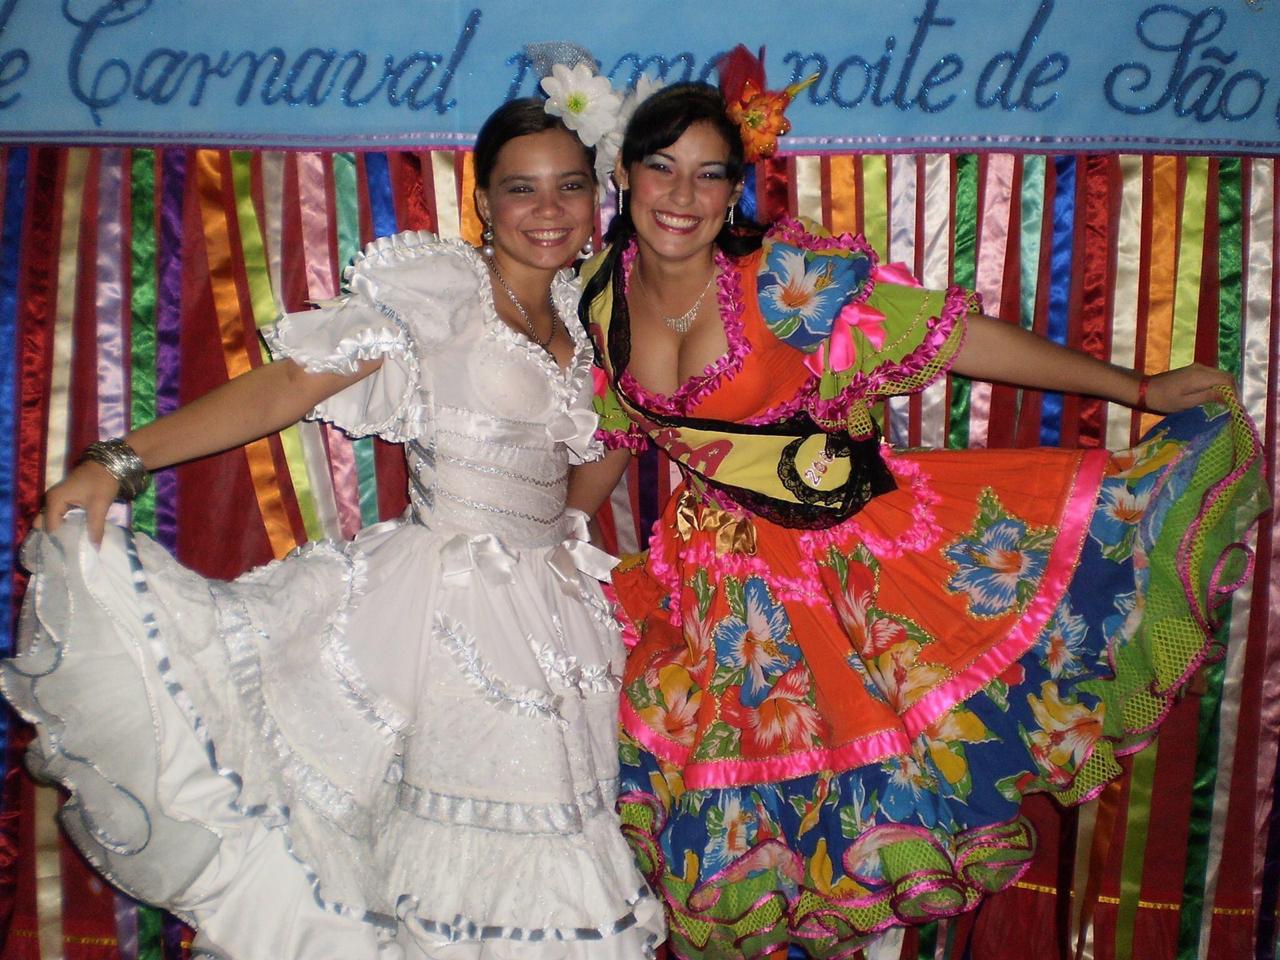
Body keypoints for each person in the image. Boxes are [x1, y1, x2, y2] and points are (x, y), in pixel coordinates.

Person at [569, 81, 1267, 959]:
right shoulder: (601, 293)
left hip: (842, 576)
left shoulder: (783, 279)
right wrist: (555, 537)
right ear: (624, 174)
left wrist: (1138, 388)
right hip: (715, 603)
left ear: (735, 190)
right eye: (662, 167)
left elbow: (954, 338)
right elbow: (618, 428)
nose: (682, 195)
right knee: (764, 833)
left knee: (871, 814)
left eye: (709, 174)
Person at [3, 99, 664, 960]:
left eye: (569, 186)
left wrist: (592, 495)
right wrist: (121, 460)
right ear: (484, 202)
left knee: (555, 852)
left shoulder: (592, 315)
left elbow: (591, 466)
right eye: (521, 188)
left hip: (556, 618)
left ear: (597, 197)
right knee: (452, 856)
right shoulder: (441, 294)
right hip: (444, 612)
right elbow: (289, 387)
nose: (548, 209)